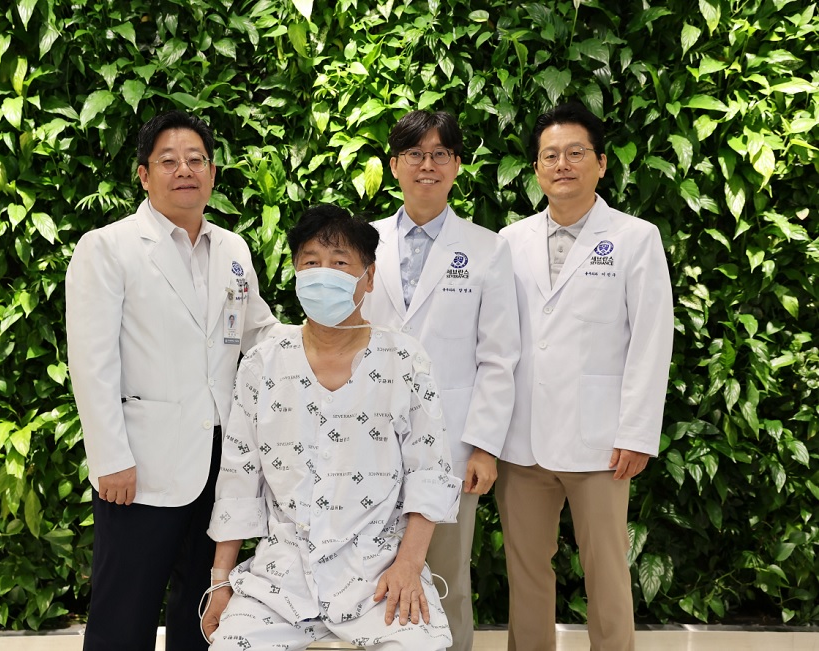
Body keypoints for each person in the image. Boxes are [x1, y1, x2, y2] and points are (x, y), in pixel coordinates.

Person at [65, 110, 283, 650]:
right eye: (168, 160)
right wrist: (109, 457)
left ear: (212, 172)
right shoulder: (108, 247)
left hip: (220, 459)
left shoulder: (233, 249)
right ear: (144, 175)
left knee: (203, 610)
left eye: (196, 159)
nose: (184, 169)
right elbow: (91, 362)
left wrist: (333, 338)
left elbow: (260, 334)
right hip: (141, 465)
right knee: (124, 611)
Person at [200, 205, 462, 651]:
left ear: (368, 277)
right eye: (311, 262)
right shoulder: (263, 363)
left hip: (379, 571)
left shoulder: (404, 360)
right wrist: (221, 581)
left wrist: (408, 565)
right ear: (295, 272)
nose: (324, 273)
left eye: (340, 262)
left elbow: (430, 473)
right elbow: (239, 478)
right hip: (281, 577)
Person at [496, 101, 674, 651]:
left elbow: (651, 340)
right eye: (550, 155)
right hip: (521, 440)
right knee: (526, 571)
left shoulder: (636, 237)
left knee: (607, 570)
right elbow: (495, 342)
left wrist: (637, 433)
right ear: (536, 169)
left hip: (602, 443)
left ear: (601, 163)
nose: (563, 164)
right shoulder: (509, 241)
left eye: (576, 153)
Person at [361, 110, 522, 651]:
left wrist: (484, 447)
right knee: (370, 574)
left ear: (456, 166)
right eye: (414, 154)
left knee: (447, 577)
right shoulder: (362, 241)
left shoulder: (487, 247)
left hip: (450, 445)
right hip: (368, 439)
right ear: (394, 165)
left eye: (440, 154)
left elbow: (498, 357)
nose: (426, 165)